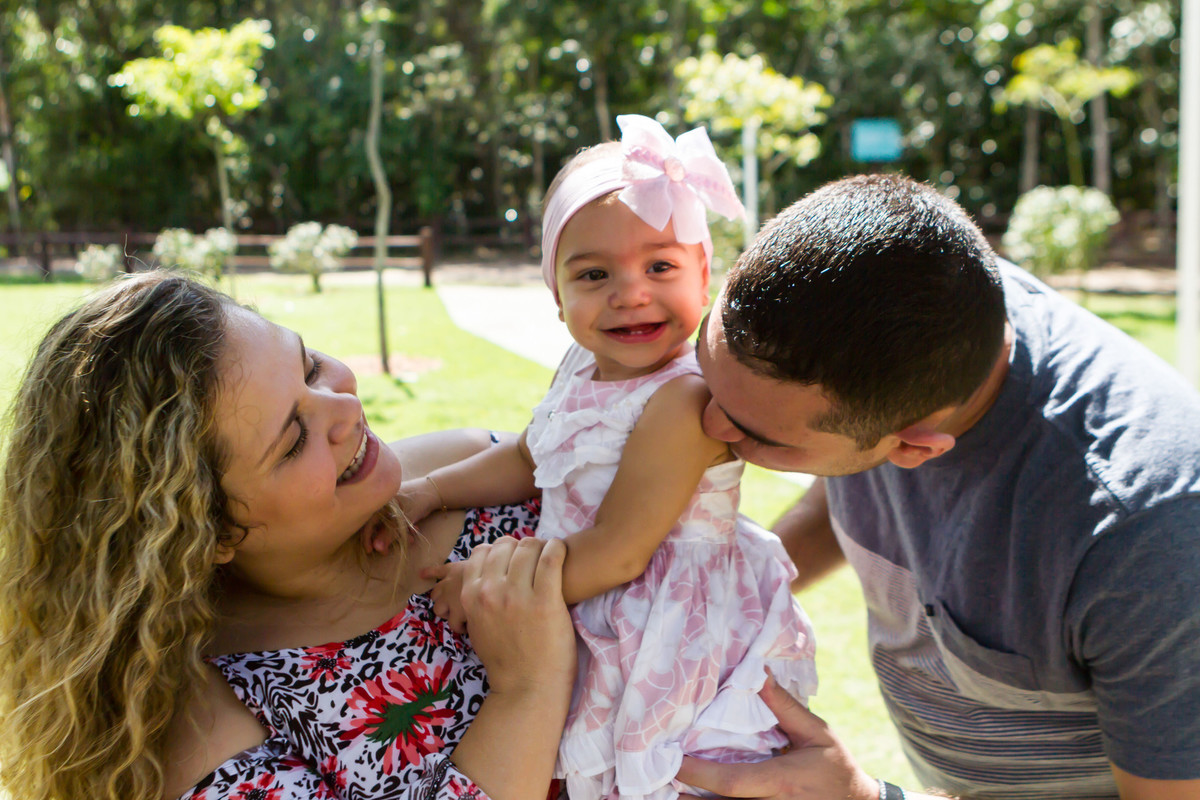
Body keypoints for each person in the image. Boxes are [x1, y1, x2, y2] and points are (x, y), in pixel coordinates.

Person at [674, 173, 1200, 800]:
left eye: (757, 434)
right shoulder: (912, 293)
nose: (710, 422)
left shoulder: (1146, 539)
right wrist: (714, 599)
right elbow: (846, 485)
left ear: (915, 448)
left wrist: (867, 799)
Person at [0, 271, 576, 800]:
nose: (345, 407)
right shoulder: (207, 732)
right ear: (211, 530)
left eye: (310, 367)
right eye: (295, 439)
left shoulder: (468, 468)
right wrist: (528, 687)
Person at [399, 115, 817, 800]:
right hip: (591, 595)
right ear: (557, 297)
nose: (630, 293)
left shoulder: (683, 398)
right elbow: (531, 457)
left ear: (704, 276)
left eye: (660, 266)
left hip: (661, 615)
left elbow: (622, 550)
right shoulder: (579, 365)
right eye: (594, 274)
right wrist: (434, 490)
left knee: (663, 772)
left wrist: (486, 582)